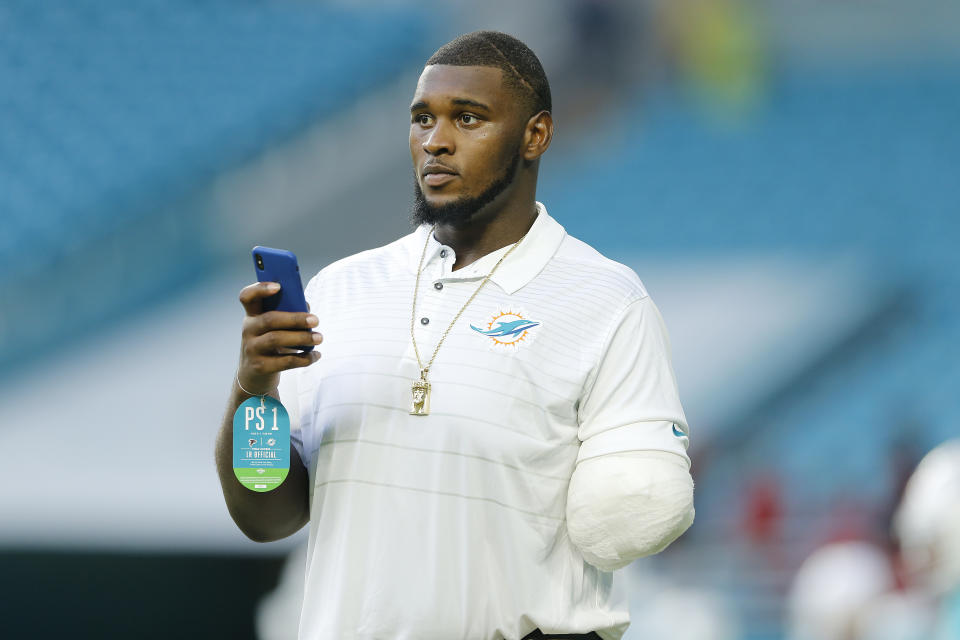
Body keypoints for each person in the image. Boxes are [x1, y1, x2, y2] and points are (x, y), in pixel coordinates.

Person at [216, 30, 694, 640]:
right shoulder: (341, 289)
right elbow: (268, 518)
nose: (435, 142)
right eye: (422, 119)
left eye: (468, 118)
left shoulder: (607, 301)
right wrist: (254, 388)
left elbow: (634, 509)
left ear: (536, 135)